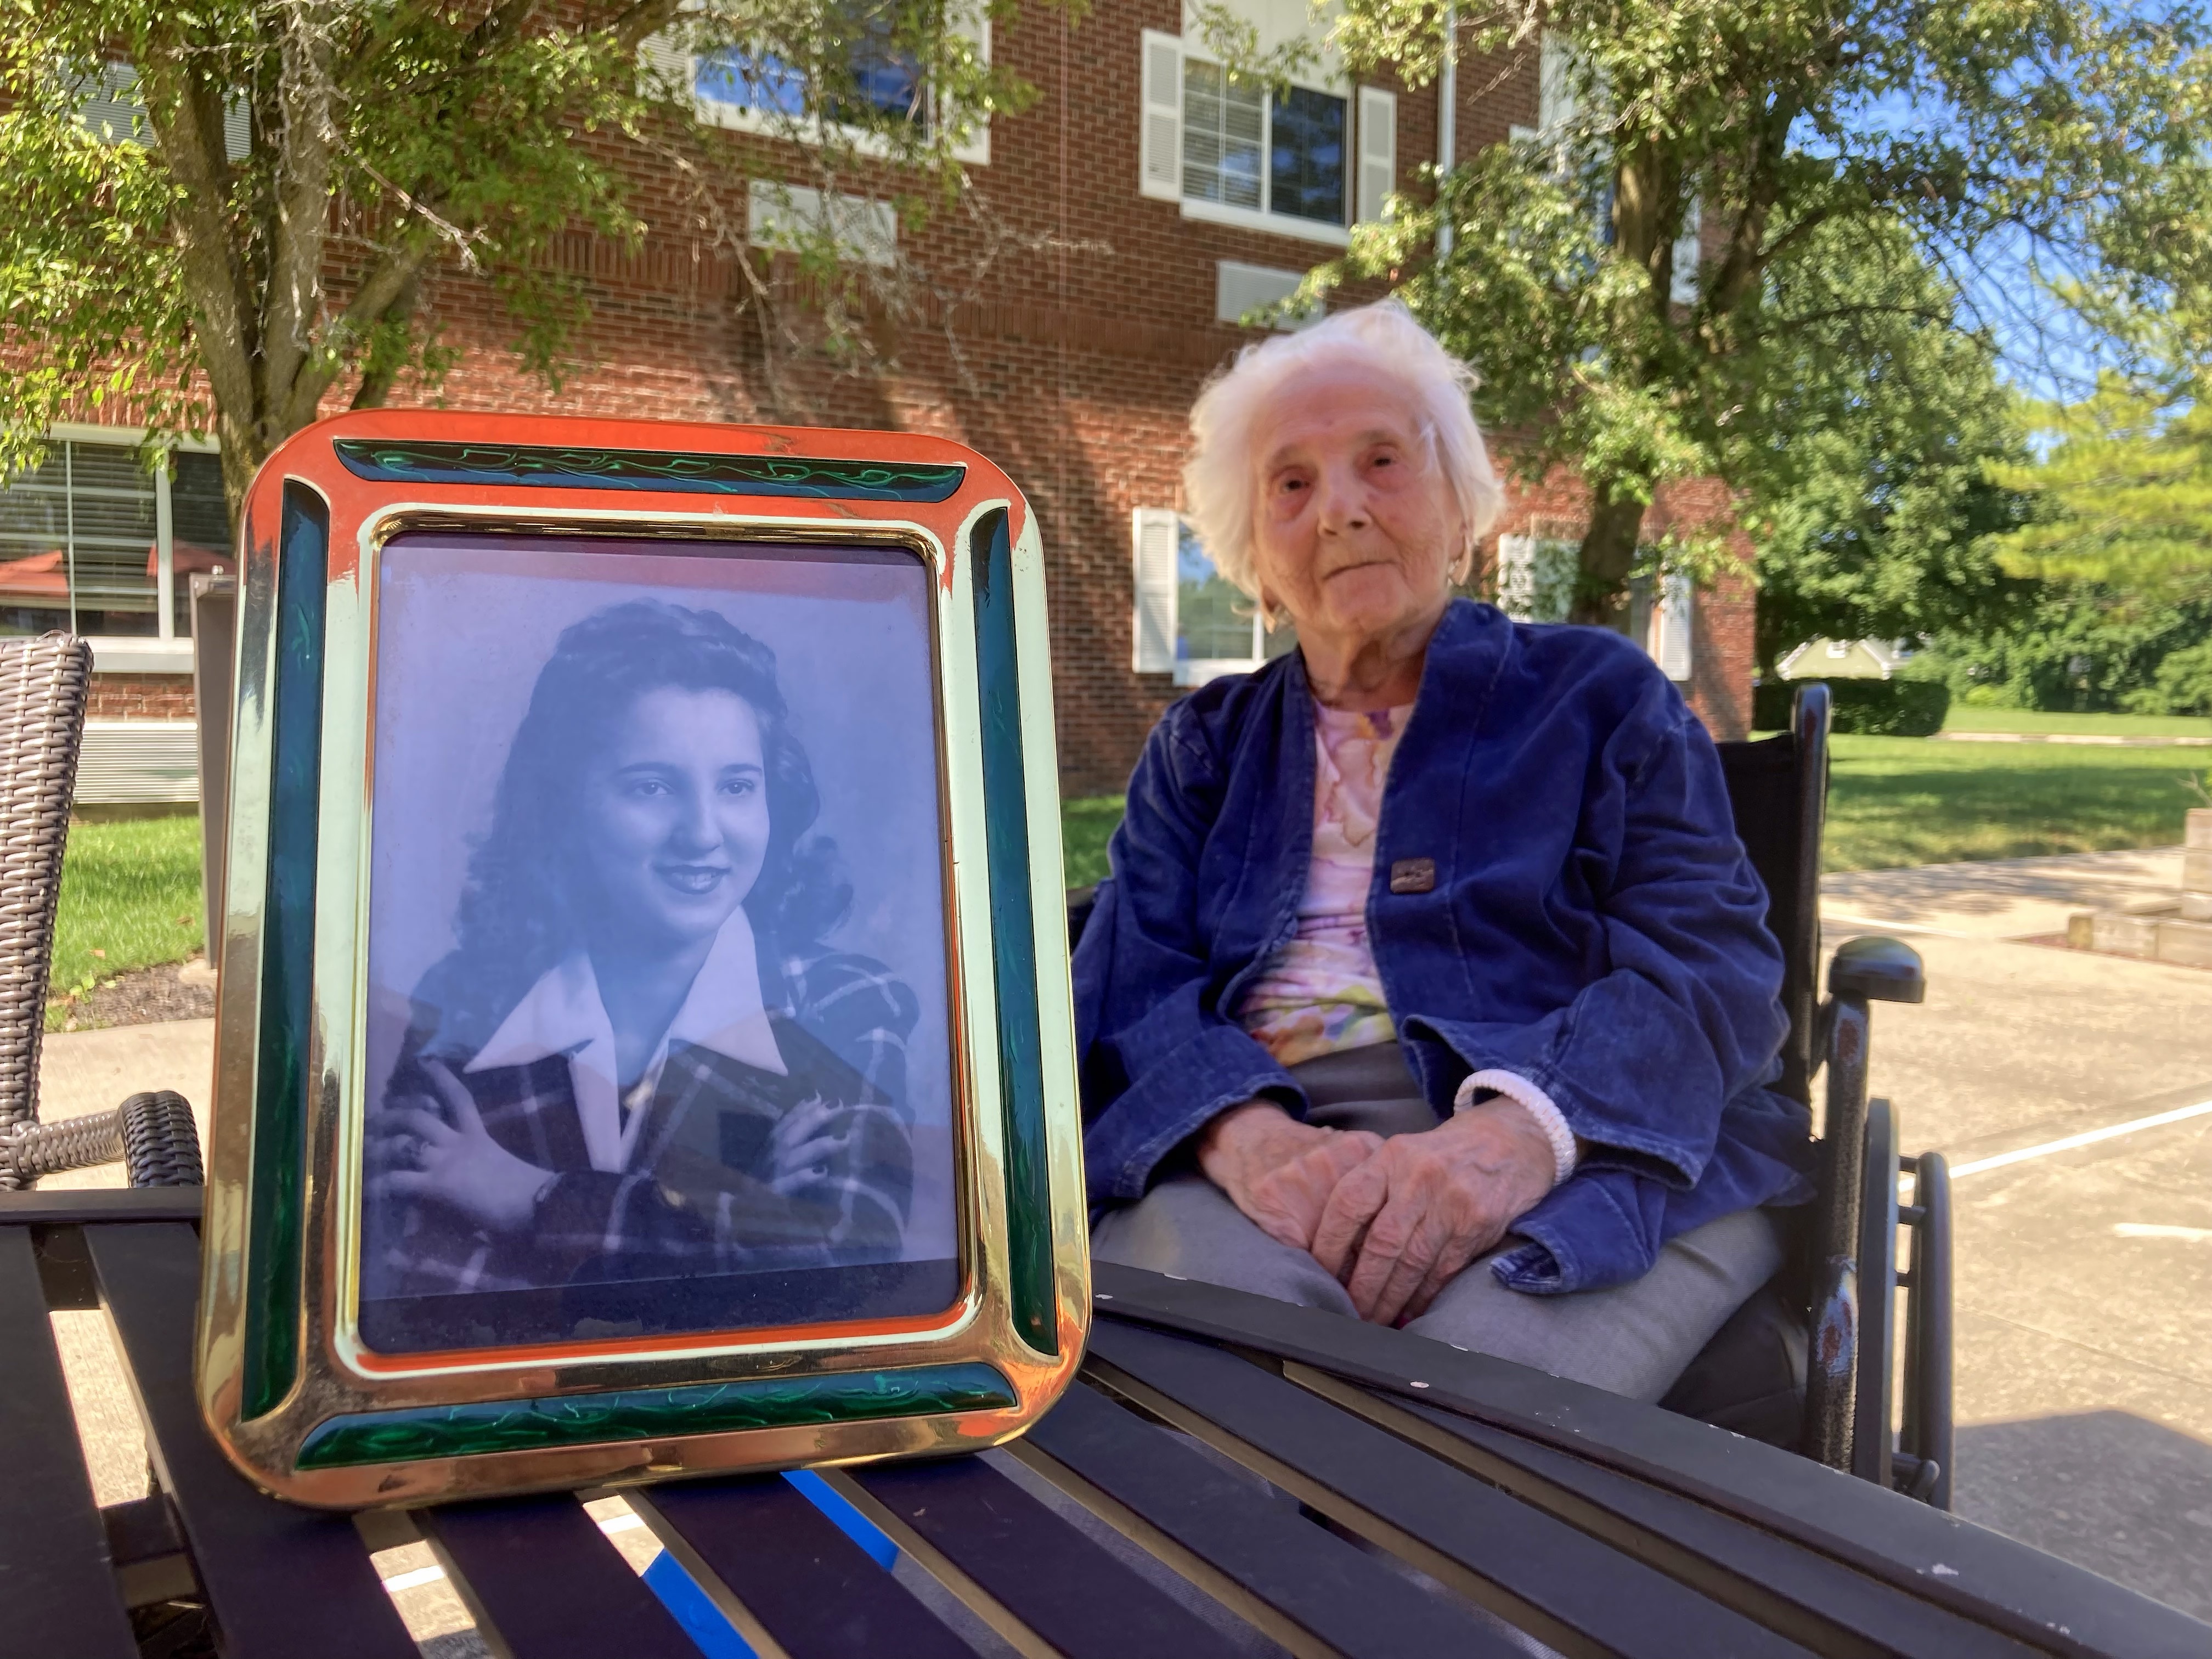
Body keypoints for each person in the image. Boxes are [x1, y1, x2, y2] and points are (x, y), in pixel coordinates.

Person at [1076, 300, 1815, 1402]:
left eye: (1383, 462)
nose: (1340, 510)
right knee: (1210, 1403)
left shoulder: (1602, 699)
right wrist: (1249, 1140)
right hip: (1247, 1142)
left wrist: (1510, 1143)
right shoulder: (1203, 747)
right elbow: (1129, 983)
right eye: (1292, 484)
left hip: (1591, 1142)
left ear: (1462, 513)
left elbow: (1709, 974)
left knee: (1475, 1425)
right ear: (1255, 561)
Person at [364, 599, 919, 1336]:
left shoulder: (848, 1003)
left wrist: (526, 1198)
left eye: (736, 786)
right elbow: (422, 1289)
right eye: (651, 787)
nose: (702, 833)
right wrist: (739, 1216)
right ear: (565, 807)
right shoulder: (468, 1000)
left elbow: (838, 1262)